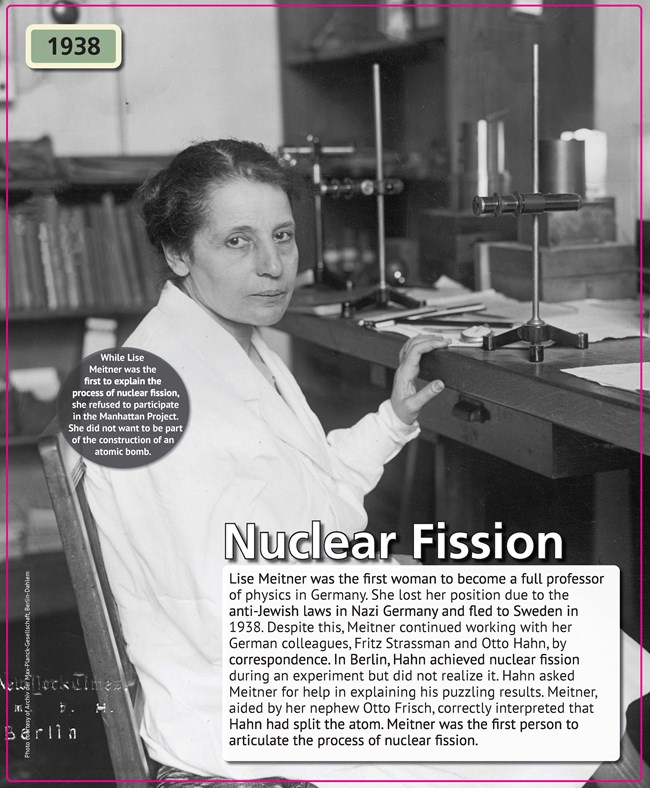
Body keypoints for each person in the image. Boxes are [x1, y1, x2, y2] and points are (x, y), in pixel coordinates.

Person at [84, 139, 648, 788]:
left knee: (581, 648)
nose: (272, 266)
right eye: (236, 242)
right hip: (252, 702)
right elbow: (227, 616)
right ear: (178, 253)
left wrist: (393, 419)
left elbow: (303, 487)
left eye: (283, 236)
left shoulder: (222, 346)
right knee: (566, 689)